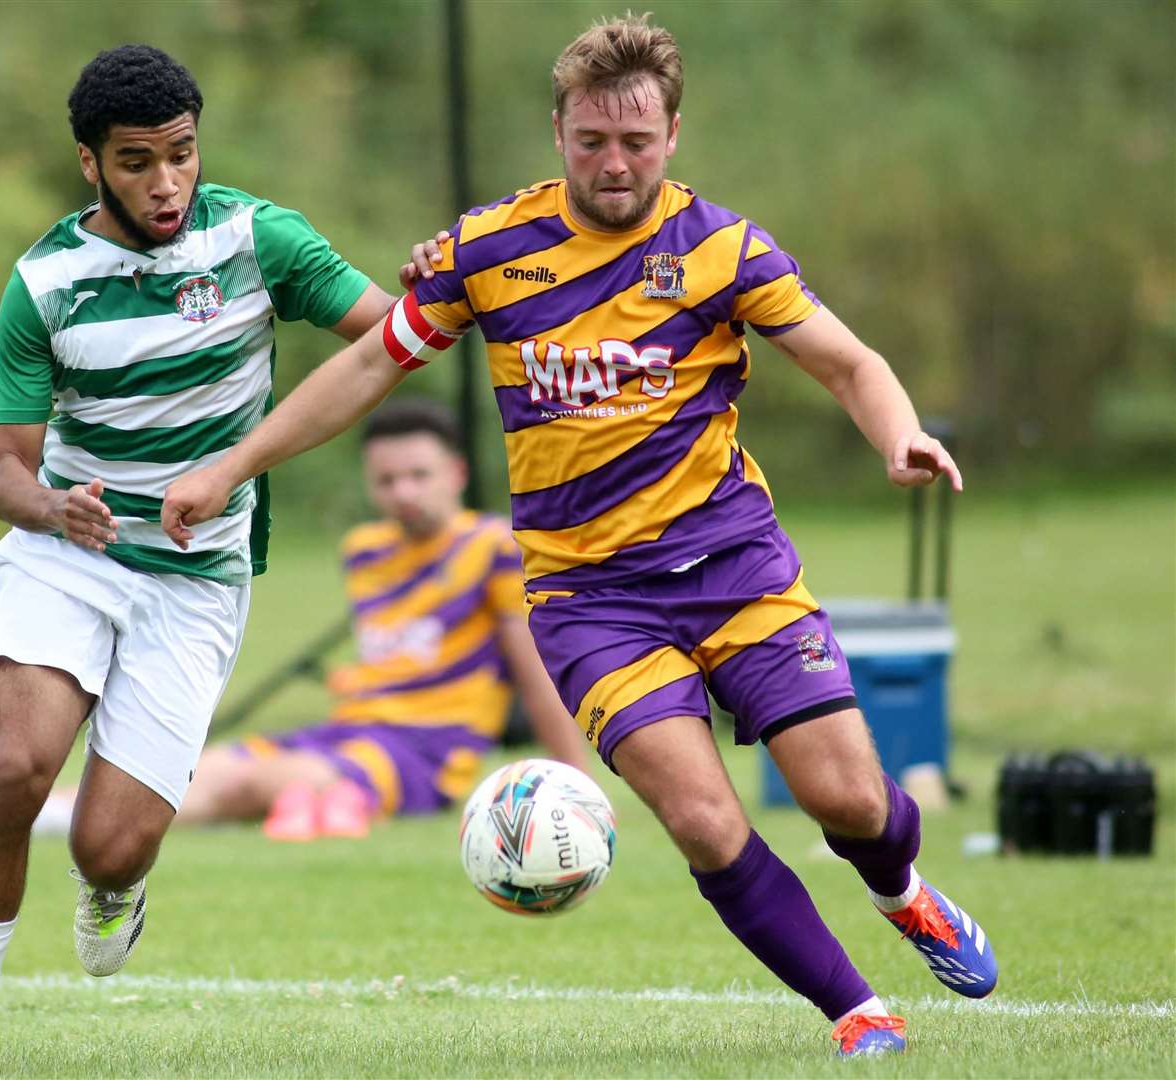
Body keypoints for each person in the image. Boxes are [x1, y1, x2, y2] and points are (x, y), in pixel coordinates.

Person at [161, 13, 999, 1059]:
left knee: (850, 797)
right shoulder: (487, 249)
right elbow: (371, 364)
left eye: (636, 142)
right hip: (587, 599)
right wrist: (231, 464)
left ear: (672, 135)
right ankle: (857, 1013)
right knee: (699, 819)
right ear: (557, 131)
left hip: (734, 567)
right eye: (592, 139)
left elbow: (849, 363)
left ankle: (902, 890)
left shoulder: (722, 249)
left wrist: (899, 432)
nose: (614, 162)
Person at [0, 44, 447, 1079]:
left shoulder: (255, 238)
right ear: (90, 165)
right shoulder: (45, 283)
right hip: (69, 553)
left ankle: (113, 882)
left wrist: (422, 293)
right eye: (137, 162)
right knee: (11, 769)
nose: (165, 182)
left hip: (194, 579)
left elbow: (388, 341)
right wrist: (55, 508)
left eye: (181, 155)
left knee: (108, 845)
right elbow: (2, 473)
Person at [0, 400, 586, 845]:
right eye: (387, 479)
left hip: (420, 757)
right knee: (187, 775)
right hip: (347, 731)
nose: (402, 492)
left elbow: (537, 666)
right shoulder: (366, 550)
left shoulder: (492, 548)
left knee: (253, 786)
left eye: (419, 476)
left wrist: (571, 784)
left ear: (458, 472)